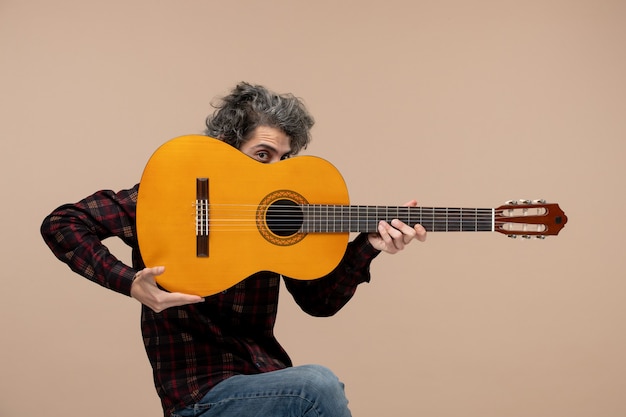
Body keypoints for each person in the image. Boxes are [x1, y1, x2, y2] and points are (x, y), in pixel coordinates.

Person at [40, 82, 427, 417]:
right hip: (198, 398)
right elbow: (62, 223)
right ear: (227, 147)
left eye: (283, 158)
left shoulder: (284, 212)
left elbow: (319, 302)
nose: (274, 168)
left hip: (267, 382)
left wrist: (369, 246)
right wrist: (130, 283)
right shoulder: (170, 197)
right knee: (318, 386)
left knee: (314, 389)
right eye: (262, 154)